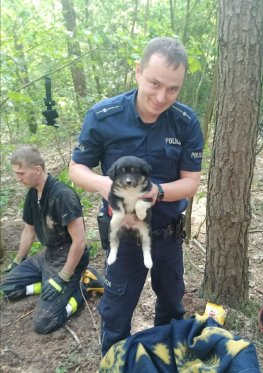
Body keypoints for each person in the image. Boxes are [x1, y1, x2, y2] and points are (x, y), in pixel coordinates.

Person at [69, 37, 204, 355]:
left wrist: (157, 192)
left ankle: (162, 359)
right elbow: (77, 168)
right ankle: (114, 361)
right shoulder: (104, 116)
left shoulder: (185, 122)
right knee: (116, 314)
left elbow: (192, 183)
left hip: (168, 238)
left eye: (173, 89)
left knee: (171, 309)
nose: (162, 97)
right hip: (124, 238)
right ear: (138, 71)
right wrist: (104, 186)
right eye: (155, 83)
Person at [1, 146, 90, 334]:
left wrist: (63, 277)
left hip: (68, 258)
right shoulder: (33, 194)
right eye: (16, 174)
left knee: (44, 324)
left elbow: (80, 241)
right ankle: (47, 282)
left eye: (21, 173)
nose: (18, 178)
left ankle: (84, 288)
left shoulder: (62, 195)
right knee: (7, 288)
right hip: (48, 255)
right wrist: (18, 260)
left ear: (37, 170)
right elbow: (29, 229)